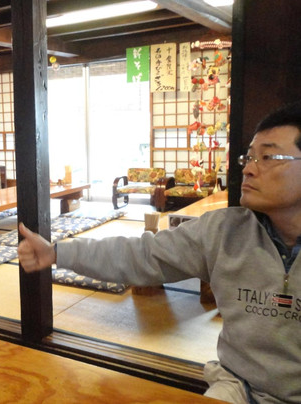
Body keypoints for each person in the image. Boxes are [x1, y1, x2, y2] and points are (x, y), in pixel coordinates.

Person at [18, 101, 301, 404]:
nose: (248, 169)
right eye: (250, 157)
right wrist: (56, 253)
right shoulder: (223, 231)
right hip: (237, 388)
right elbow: (142, 254)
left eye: (268, 157)